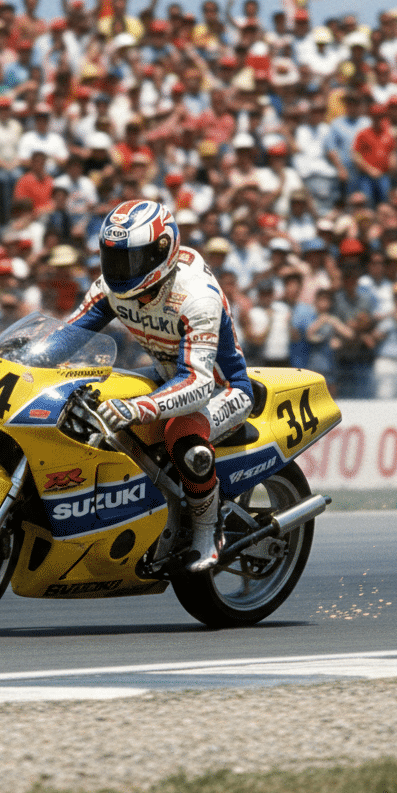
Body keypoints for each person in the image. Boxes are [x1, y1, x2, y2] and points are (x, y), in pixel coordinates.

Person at [67, 199, 254, 573]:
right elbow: (68, 334)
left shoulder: (197, 296)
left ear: (161, 252)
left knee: (182, 439)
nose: (120, 270)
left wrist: (137, 408)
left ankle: (207, 531)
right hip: (167, 373)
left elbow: (197, 383)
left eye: (131, 260)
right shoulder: (110, 288)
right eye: (113, 257)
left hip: (221, 388)